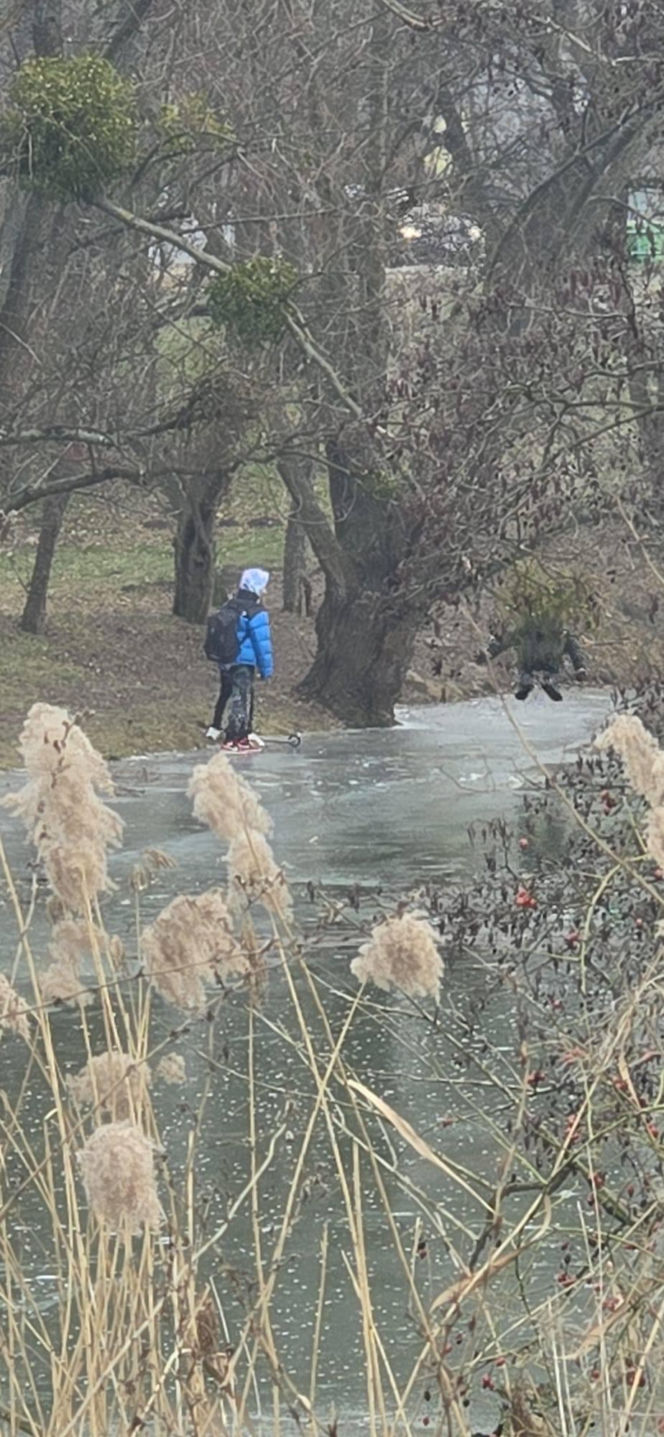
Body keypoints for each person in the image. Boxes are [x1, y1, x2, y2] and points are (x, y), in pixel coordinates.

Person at [206, 568, 273, 749]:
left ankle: (215, 727)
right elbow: (262, 644)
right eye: (263, 586)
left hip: (225, 658)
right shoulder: (257, 612)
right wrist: (266, 670)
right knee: (242, 697)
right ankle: (236, 738)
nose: (265, 590)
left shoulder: (230, 605)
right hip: (244, 661)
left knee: (225, 692)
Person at [478, 618, 586, 701]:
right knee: (530, 672)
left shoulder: (562, 638)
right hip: (534, 662)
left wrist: (580, 667)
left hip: (543, 663)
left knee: (537, 672)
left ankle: (535, 682)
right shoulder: (526, 634)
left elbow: (575, 650)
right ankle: (530, 683)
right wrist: (489, 654)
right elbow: (506, 640)